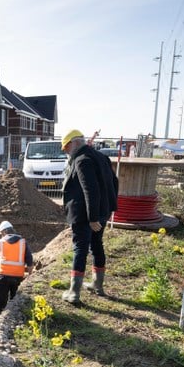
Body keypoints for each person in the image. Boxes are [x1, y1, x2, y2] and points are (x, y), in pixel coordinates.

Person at [60, 129, 119, 303]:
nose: (65, 150)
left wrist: (93, 218)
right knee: (96, 245)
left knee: (80, 248)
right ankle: (97, 285)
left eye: (66, 146)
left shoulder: (82, 160)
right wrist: (107, 210)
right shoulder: (101, 157)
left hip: (85, 215)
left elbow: (90, 190)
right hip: (101, 211)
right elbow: (114, 183)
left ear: (75, 143)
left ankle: (74, 292)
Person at [0, 221, 34, 312]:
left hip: (2, 275)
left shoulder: (0, 242)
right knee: (15, 299)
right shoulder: (23, 242)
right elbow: (29, 259)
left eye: (1, 233)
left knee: (0, 298)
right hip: (17, 276)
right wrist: (30, 274)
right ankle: (13, 314)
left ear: (4, 232)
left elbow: (0, 253)